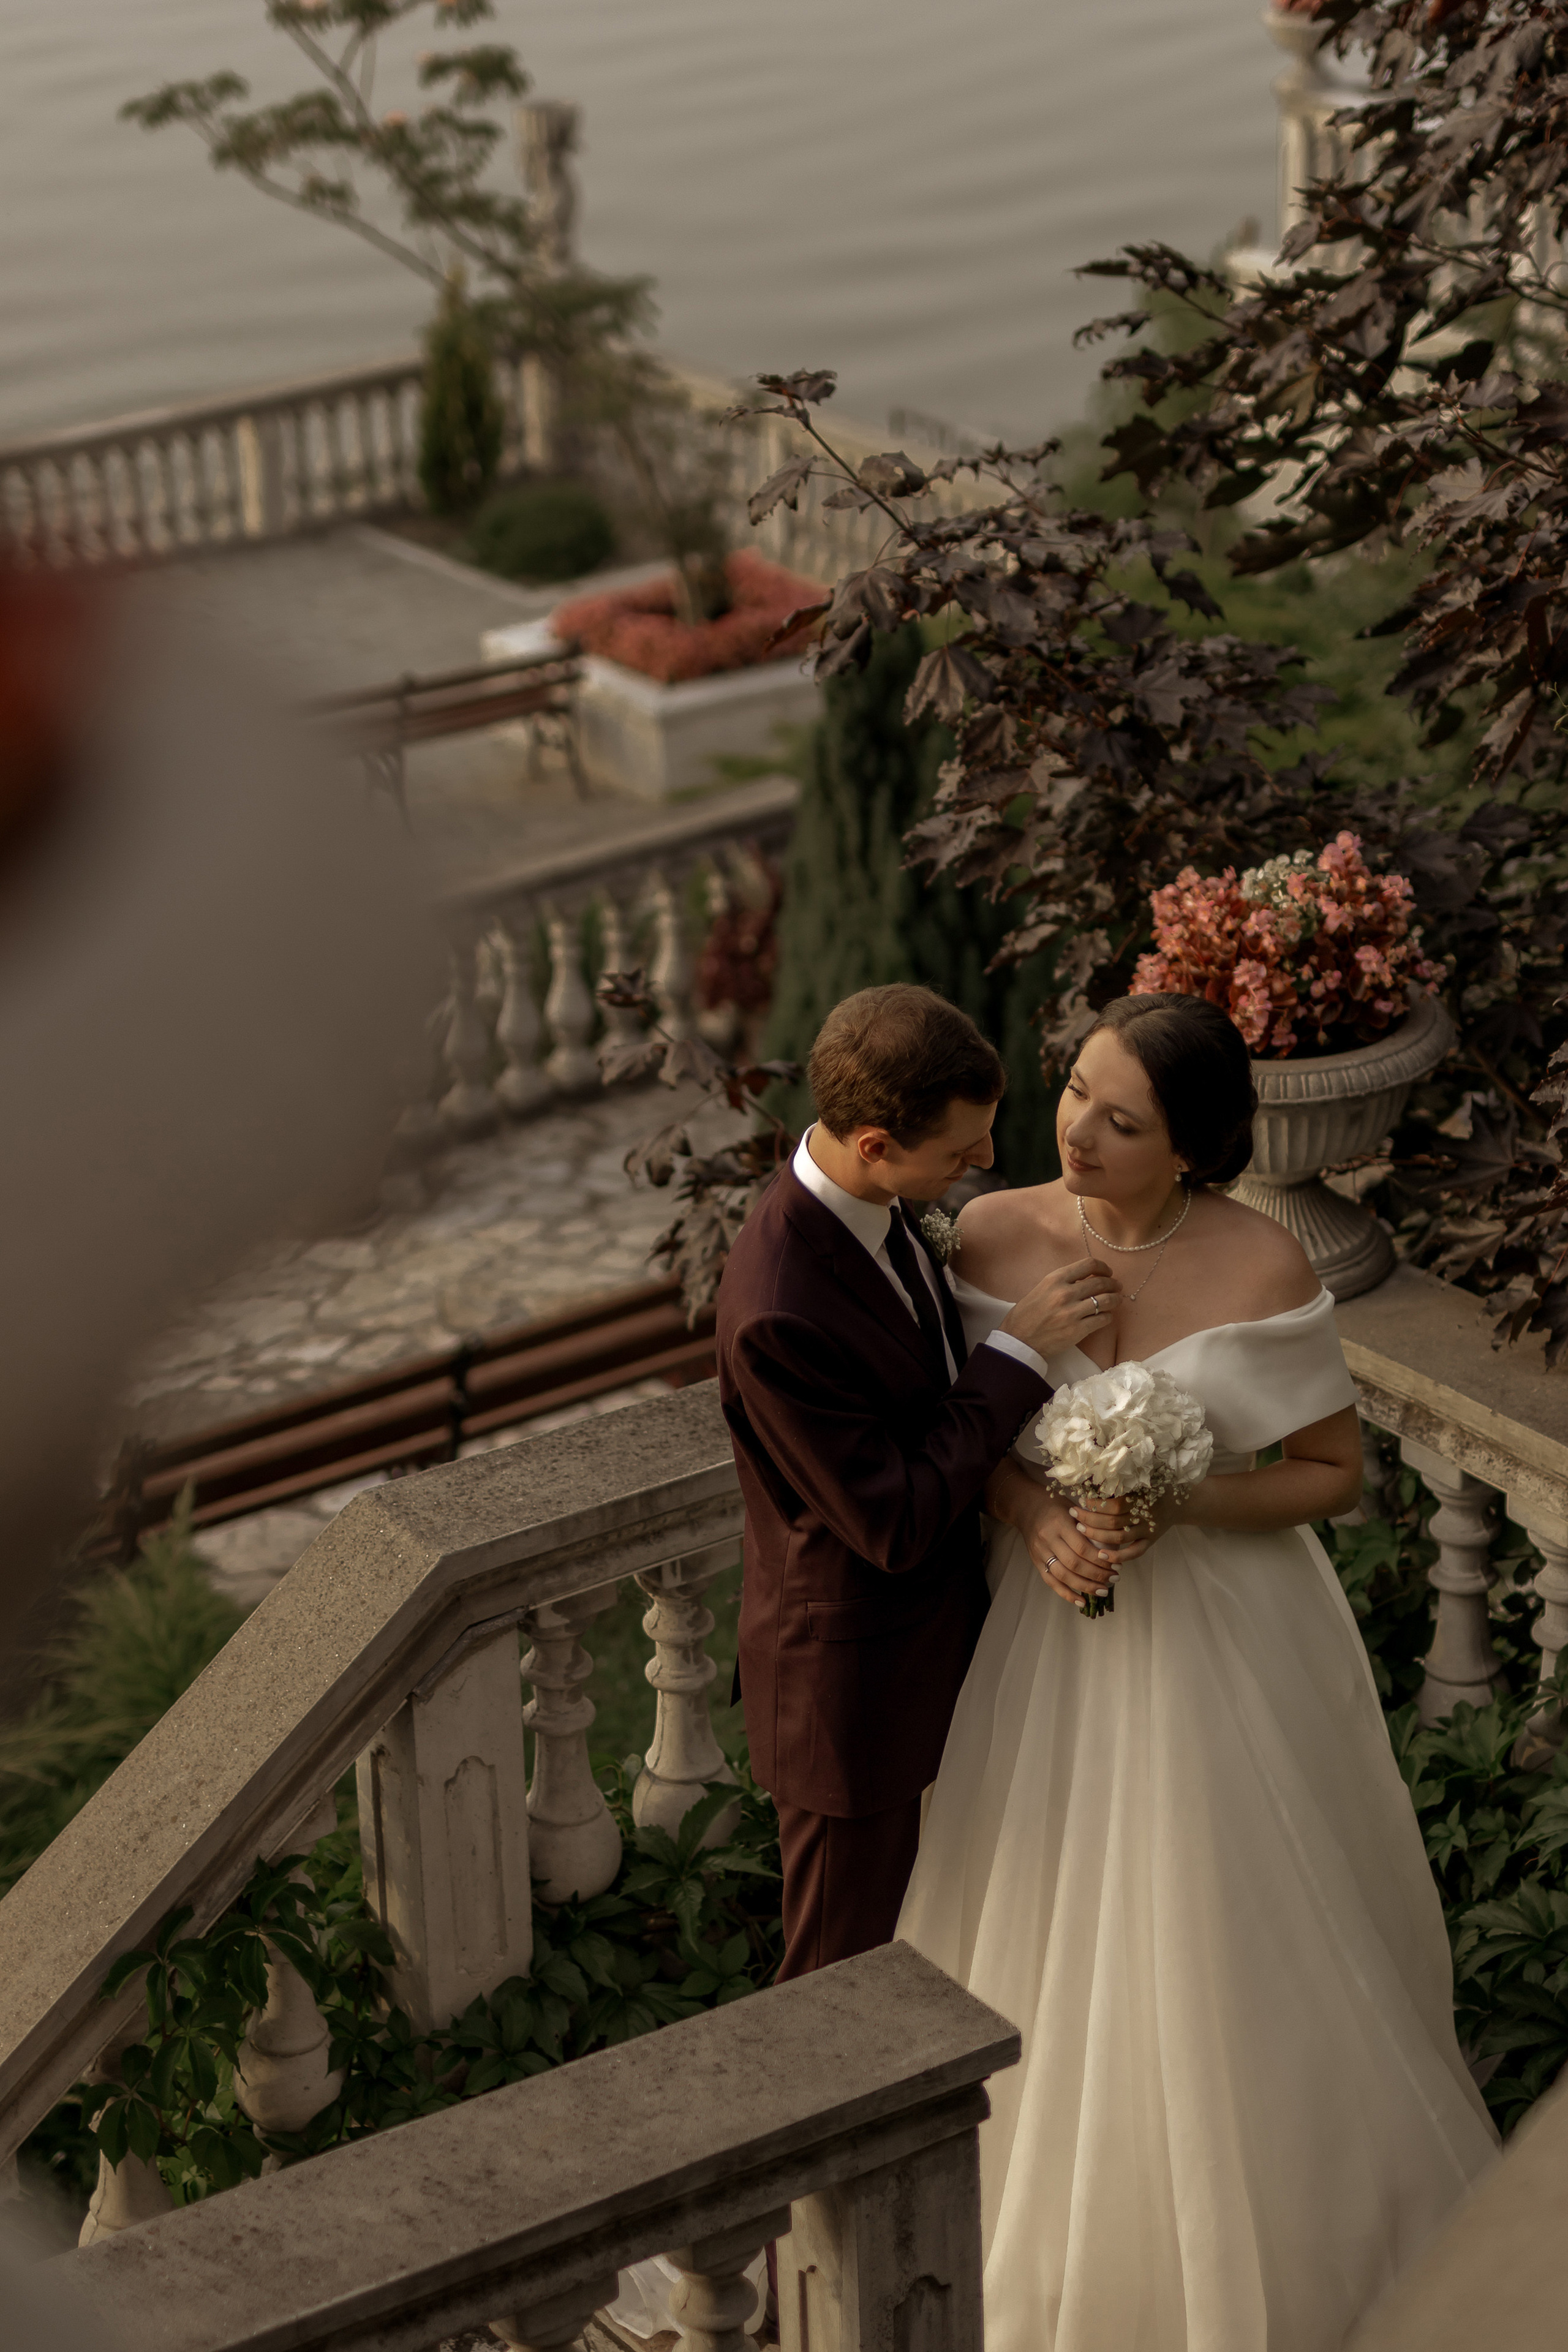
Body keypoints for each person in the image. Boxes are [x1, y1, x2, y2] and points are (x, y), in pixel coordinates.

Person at [897, 990, 1498, 2352]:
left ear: (1192, 1147)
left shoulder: (1263, 1266)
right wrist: (1034, 1515)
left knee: (1234, 1923)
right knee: (1036, 1914)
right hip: (1041, 1635)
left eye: (1121, 1121)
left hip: (1231, 1635)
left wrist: (1179, 1507)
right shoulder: (988, 1236)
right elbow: (949, 1438)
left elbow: (1328, 1475)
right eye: (1075, 1093)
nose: (1077, 1133)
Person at [716, 983, 1121, 1981]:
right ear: (874, 1145)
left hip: (938, 1657)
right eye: (959, 1148)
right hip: (851, 1700)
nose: (983, 1159)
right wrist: (1017, 1354)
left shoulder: (879, 1209)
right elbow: (890, 1520)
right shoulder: (779, 1309)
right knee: (839, 1982)